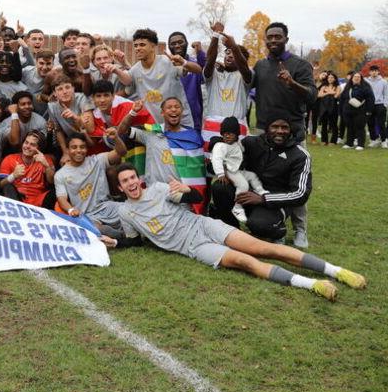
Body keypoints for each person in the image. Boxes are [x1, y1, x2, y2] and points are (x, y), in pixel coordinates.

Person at [114, 163, 365, 302]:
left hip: (203, 225)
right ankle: (313, 285)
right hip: (193, 247)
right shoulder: (126, 213)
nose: (131, 183)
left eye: (133, 177)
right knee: (245, 261)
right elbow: (135, 242)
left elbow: (197, 197)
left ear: (139, 179)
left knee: (264, 247)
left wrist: (187, 190)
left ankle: (337, 271)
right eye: (125, 181)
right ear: (120, 187)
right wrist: (114, 242)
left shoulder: (158, 189)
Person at [251, 22, 316, 247]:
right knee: (263, 178)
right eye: (270, 37)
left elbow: (311, 96)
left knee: (296, 184)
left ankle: (300, 230)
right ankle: (270, 221)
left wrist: (292, 83)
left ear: (286, 39)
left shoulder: (300, 65)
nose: (273, 41)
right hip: (264, 132)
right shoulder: (260, 66)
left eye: (278, 37)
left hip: (293, 134)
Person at [209, 117, 312, 246]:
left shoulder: (300, 155)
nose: (280, 131)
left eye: (284, 127)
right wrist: (218, 149)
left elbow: (300, 193)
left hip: (274, 202)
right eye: (275, 126)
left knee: (259, 225)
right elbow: (230, 153)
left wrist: (264, 199)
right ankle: (232, 230)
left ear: (291, 130)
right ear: (267, 128)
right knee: (220, 187)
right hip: (248, 194)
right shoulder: (251, 143)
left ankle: (278, 232)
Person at [118, 97, 206, 214]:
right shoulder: (152, 132)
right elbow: (122, 131)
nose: (173, 110)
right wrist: (133, 112)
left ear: (182, 111)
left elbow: (197, 172)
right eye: (169, 107)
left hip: (181, 197)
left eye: (177, 107)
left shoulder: (192, 137)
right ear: (162, 113)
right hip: (155, 197)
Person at [54, 131, 127, 244]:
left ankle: (124, 234)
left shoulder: (97, 160)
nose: (78, 150)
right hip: (87, 216)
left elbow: (121, 152)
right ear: (67, 150)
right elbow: (62, 198)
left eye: (82, 147)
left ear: (86, 149)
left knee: (131, 211)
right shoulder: (60, 175)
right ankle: (124, 237)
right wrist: (71, 209)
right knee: (96, 230)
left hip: (107, 207)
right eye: (74, 147)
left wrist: (116, 138)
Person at [119, 28, 199, 128]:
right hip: (157, 128)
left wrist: (184, 62)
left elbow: (198, 70)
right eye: (135, 45)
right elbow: (126, 82)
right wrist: (115, 69)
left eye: (142, 45)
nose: (137, 48)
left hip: (181, 125)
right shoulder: (135, 70)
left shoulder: (168, 61)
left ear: (153, 46)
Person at [201, 27, 252, 150]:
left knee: (234, 166)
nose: (229, 56)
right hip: (213, 127)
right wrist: (215, 34)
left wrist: (234, 47)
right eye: (227, 52)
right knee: (211, 165)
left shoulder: (246, 76)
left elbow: (244, 67)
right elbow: (210, 60)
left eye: (233, 53)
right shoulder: (214, 74)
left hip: (237, 128)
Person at [210, 117, 266, 223]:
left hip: (236, 170)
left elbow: (241, 151)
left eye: (230, 133)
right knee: (243, 185)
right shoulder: (220, 146)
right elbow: (216, 159)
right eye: (224, 133)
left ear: (236, 135)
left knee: (252, 176)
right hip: (229, 171)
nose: (227, 135)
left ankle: (260, 190)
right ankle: (237, 207)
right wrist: (221, 173)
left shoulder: (237, 144)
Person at [0, 130, 56, 209]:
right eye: (26, 142)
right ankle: (16, 211)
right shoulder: (9, 159)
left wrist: (46, 165)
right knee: (7, 186)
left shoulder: (45, 159)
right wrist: (13, 175)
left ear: (39, 148)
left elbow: (52, 181)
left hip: (39, 200)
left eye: (32, 145)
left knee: (56, 192)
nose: (27, 146)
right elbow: (0, 185)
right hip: (16, 199)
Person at [167, 31, 206, 130]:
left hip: (194, 119)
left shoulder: (194, 65)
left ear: (187, 43)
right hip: (170, 120)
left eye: (180, 42)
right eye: (173, 44)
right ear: (169, 47)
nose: (177, 46)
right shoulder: (164, 66)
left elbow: (204, 70)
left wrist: (200, 52)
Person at [341, 72, 375, 150]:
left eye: (358, 77)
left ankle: (360, 144)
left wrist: (369, 111)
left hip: (361, 111)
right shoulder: (347, 87)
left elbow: (371, 99)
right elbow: (342, 99)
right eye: (355, 77)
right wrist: (342, 110)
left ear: (361, 78)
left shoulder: (366, 88)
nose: (356, 78)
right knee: (349, 127)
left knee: (360, 127)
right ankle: (349, 143)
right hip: (348, 111)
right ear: (352, 78)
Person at [365, 65, 388, 148]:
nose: (374, 72)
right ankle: (374, 140)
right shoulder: (366, 81)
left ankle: (384, 140)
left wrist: (385, 105)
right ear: (369, 72)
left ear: (378, 72)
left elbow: (386, 94)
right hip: (369, 105)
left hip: (380, 104)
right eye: (372, 71)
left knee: (381, 123)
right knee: (370, 123)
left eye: (375, 70)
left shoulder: (383, 82)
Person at [317, 72, 341, 146]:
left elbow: (336, 95)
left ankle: (333, 141)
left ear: (335, 79)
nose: (330, 79)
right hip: (324, 107)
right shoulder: (324, 86)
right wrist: (329, 93)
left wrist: (331, 92)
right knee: (324, 124)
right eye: (329, 78)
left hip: (333, 107)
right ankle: (324, 140)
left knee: (333, 124)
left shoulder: (338, 86)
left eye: (332, 78)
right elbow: (319, 95)